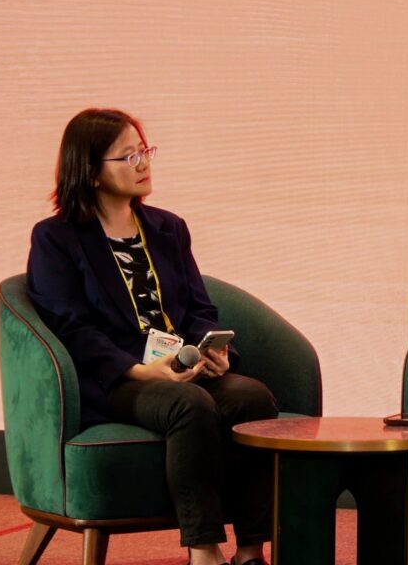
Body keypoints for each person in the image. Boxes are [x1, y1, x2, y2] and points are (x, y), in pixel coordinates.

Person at [26, 109, 277, 565]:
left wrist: (214, 351)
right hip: (116, 380)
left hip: (180, 366)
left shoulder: (167, 228)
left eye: (145, 151)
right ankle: (203, 550)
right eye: (128, 156)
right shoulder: (56, 238)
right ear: (91, 172)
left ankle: (250, 551)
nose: (143, 163)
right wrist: (139, 370)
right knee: (188, 404)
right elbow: (70, 327)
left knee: (252, 397)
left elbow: (198, 308)